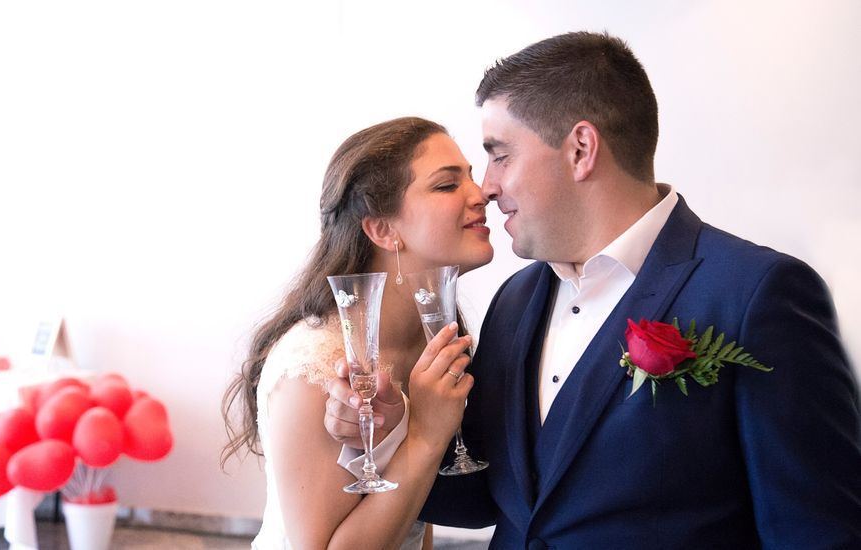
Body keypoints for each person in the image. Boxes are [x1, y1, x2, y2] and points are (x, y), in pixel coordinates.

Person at [325, 32, 861, 548]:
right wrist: (393, 432)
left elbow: (817, 531)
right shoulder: (514, 301)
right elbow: (486, 501)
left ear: (581, 149)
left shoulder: (755, 294)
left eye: (500, 154)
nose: (486, 187)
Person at [221, 116, 495, 549]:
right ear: (383, 229)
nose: (482, 195)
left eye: (473, 179)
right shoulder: (317, 367)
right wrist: (423, 435)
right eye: (447, 185)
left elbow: (419, 516)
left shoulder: (436, 340)